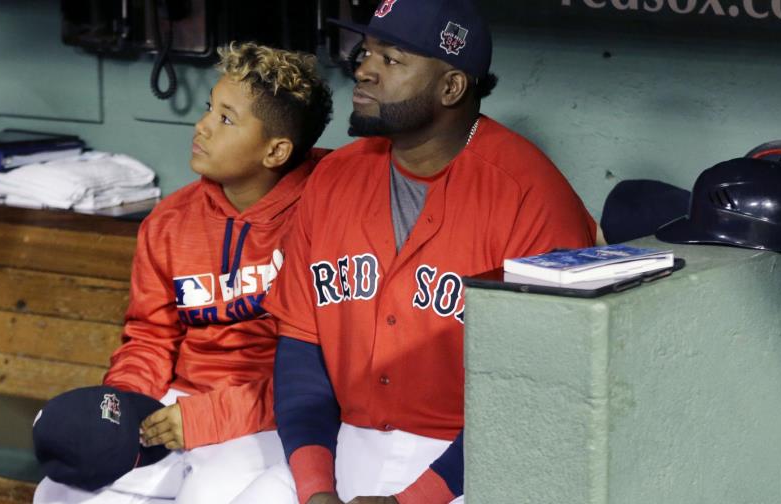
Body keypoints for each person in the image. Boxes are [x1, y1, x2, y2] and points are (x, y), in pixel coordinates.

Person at [233, 1, 599, 503]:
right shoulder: (336, 178)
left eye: (392, 59)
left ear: (451, 87)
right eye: (367, 51)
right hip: (344, 445)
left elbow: (538, 392)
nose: (363, 68)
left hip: (472, 468)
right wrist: (317, 489)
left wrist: (414, 500)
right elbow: (302, 353)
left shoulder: (530, 196)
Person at [33, 41, 333, 504]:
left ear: (275, 151)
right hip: (174, 403)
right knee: (60, 491)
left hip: (267, 419)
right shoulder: (171, 219)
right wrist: (122, 407)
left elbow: (323, 371)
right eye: (210, 108)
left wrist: (206, 417)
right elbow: (151, 337)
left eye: (226, 120)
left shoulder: (324, 218)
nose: (202, 126)